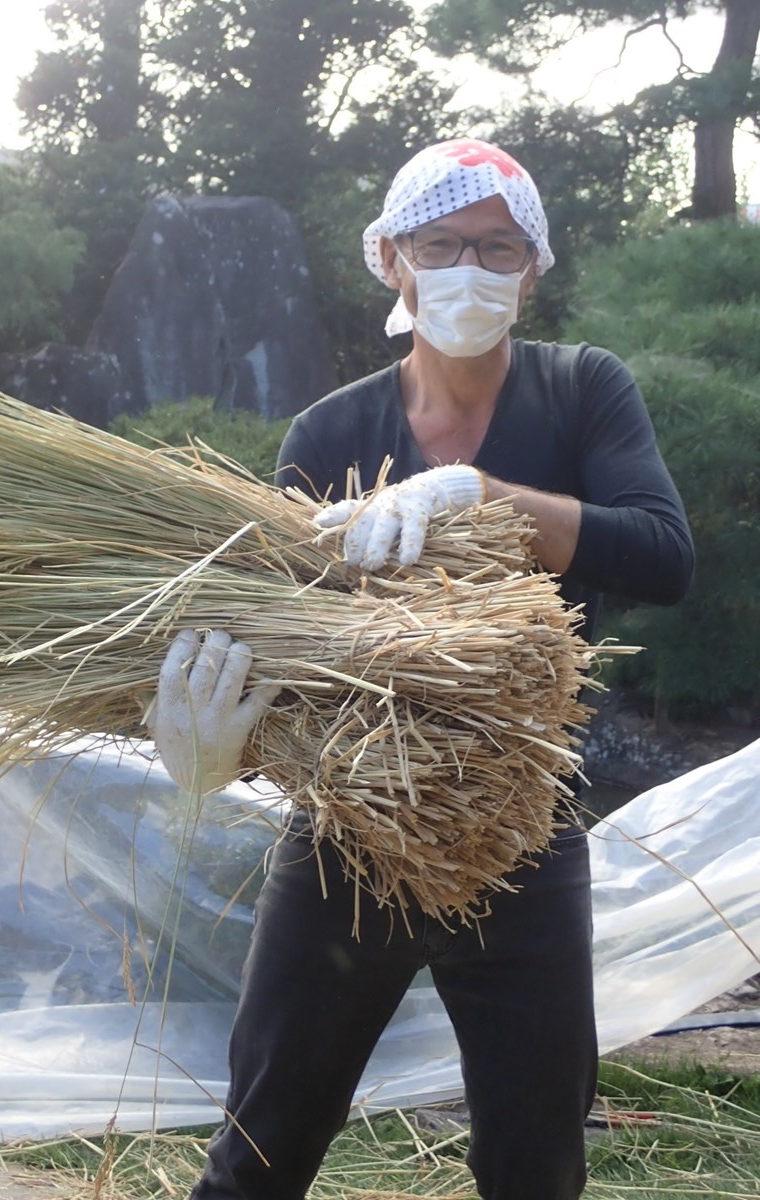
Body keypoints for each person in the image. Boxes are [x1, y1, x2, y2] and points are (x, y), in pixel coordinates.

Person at [153, 137, 694, 1200]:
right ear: (392, 260)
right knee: (261, 1149)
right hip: (351, 832)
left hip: (524, 826)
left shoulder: (581, 389)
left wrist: (482, 496)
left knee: (536, 1162)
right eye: (440, 244)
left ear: (532, 271)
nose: (468, 268)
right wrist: (222, 745)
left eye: (498, 247)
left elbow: (663, 555)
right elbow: (289, 640)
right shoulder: (332, 430)